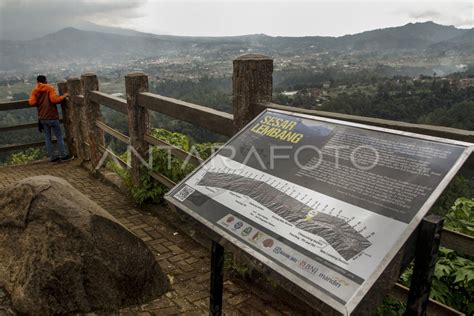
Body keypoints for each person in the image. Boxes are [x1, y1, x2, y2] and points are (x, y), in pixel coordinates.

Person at [29, 75, 71, 162]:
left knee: (47, 138)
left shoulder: (35, 91)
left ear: (37, 82)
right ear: (46, 81)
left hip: (42, 118)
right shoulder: (50, 88)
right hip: (52, 116)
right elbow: (54, 100)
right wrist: (64, 96)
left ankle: (53, 157)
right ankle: (63, 156)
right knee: (59, 136)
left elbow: (32, 102)